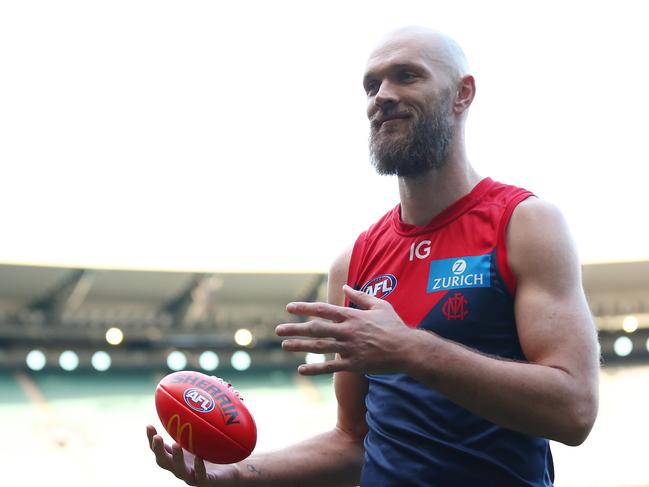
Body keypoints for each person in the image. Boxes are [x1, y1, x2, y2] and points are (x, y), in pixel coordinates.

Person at [146, 26, 600, 486]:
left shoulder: (524, 224)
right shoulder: (355, 261)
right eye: (372, 85)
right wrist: (235, 475)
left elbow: (574, 409)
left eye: (407, 76)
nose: (382, 96)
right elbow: (352, 441)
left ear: (462, 94)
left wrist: (409, 349)